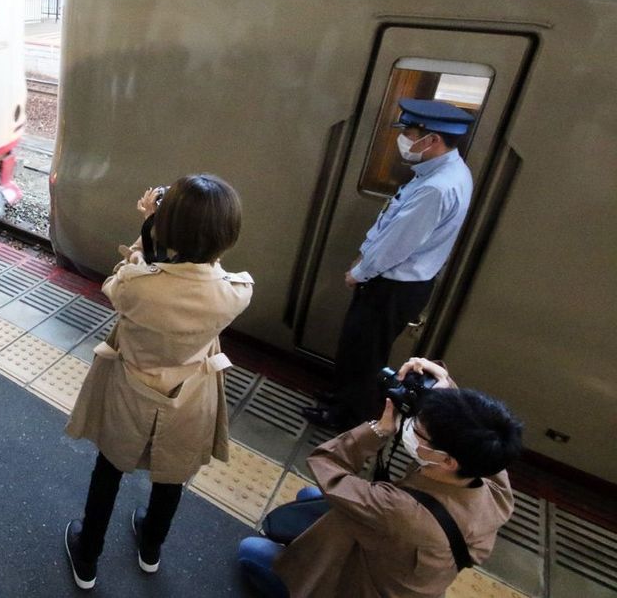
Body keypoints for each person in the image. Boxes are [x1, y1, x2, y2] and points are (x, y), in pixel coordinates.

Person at [63, 175, 254, 589]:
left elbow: (121, 280)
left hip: (130, 387)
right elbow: (206, 271)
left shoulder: (138, 286)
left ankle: (88, 554)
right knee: (172, 472)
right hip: (192, 396)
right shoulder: (236, 292)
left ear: (167, 229)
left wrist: (148, 229)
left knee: (109, 468)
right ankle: (151, 546)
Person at [239, 358, 522, 597]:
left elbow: (325, 464)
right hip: (405, 569)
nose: (410, 426)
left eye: (417, 428)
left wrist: (380, 430)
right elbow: (473, 430)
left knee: (251, 550)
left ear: (448, 460)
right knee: (309, 498)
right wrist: (445, 387)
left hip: (360, 586)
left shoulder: (399, 509)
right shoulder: (493, 482)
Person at [302, 99, 475, 431]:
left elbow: (399, 244)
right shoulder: (446, 172)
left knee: (366, 356)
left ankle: (348, 419)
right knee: (357, 349)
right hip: (396, 281)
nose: (404, 140)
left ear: (433, 139)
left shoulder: (435, 188)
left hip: (393, 285)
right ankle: (342, 399)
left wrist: (360, 272)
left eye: (410, 133)